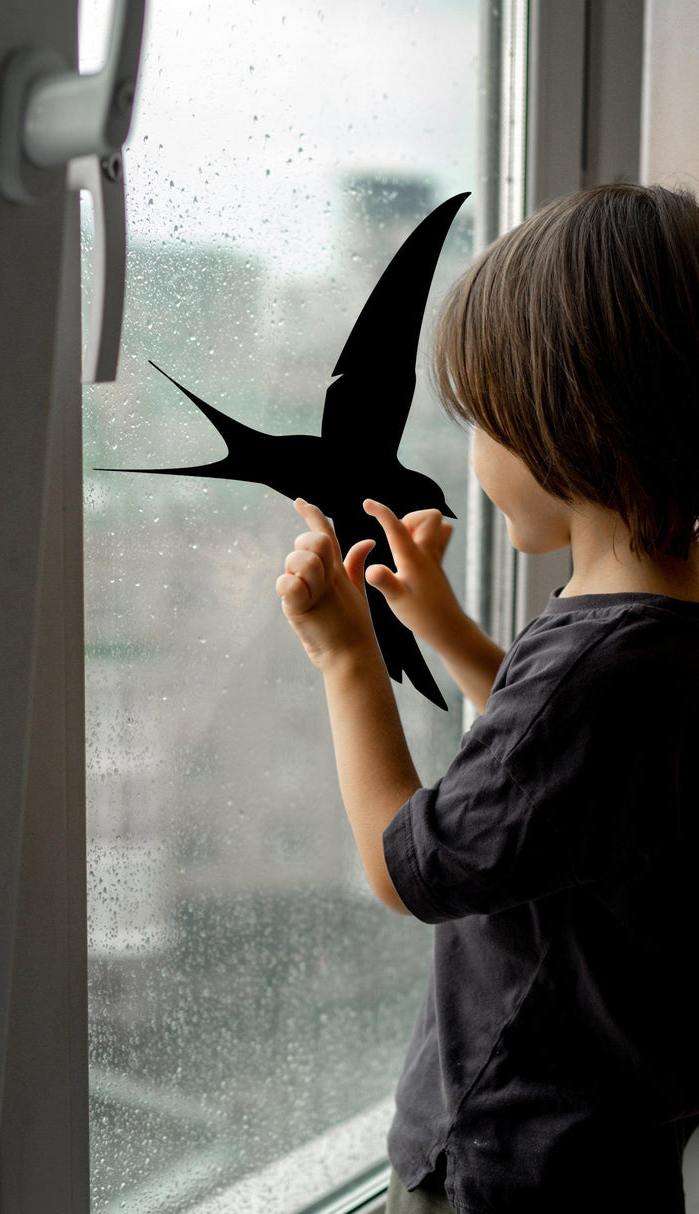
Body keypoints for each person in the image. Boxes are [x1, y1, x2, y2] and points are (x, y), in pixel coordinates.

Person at [275, 182, 699, 1213]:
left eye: (480, 423)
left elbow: (404, 865)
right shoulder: (655, 636)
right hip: (618, 1142)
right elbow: (570, 782)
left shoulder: (587, 676)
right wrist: (448, 634)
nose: (467, 458)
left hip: (505, 1161)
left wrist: (348, 660)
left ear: (567, 424)